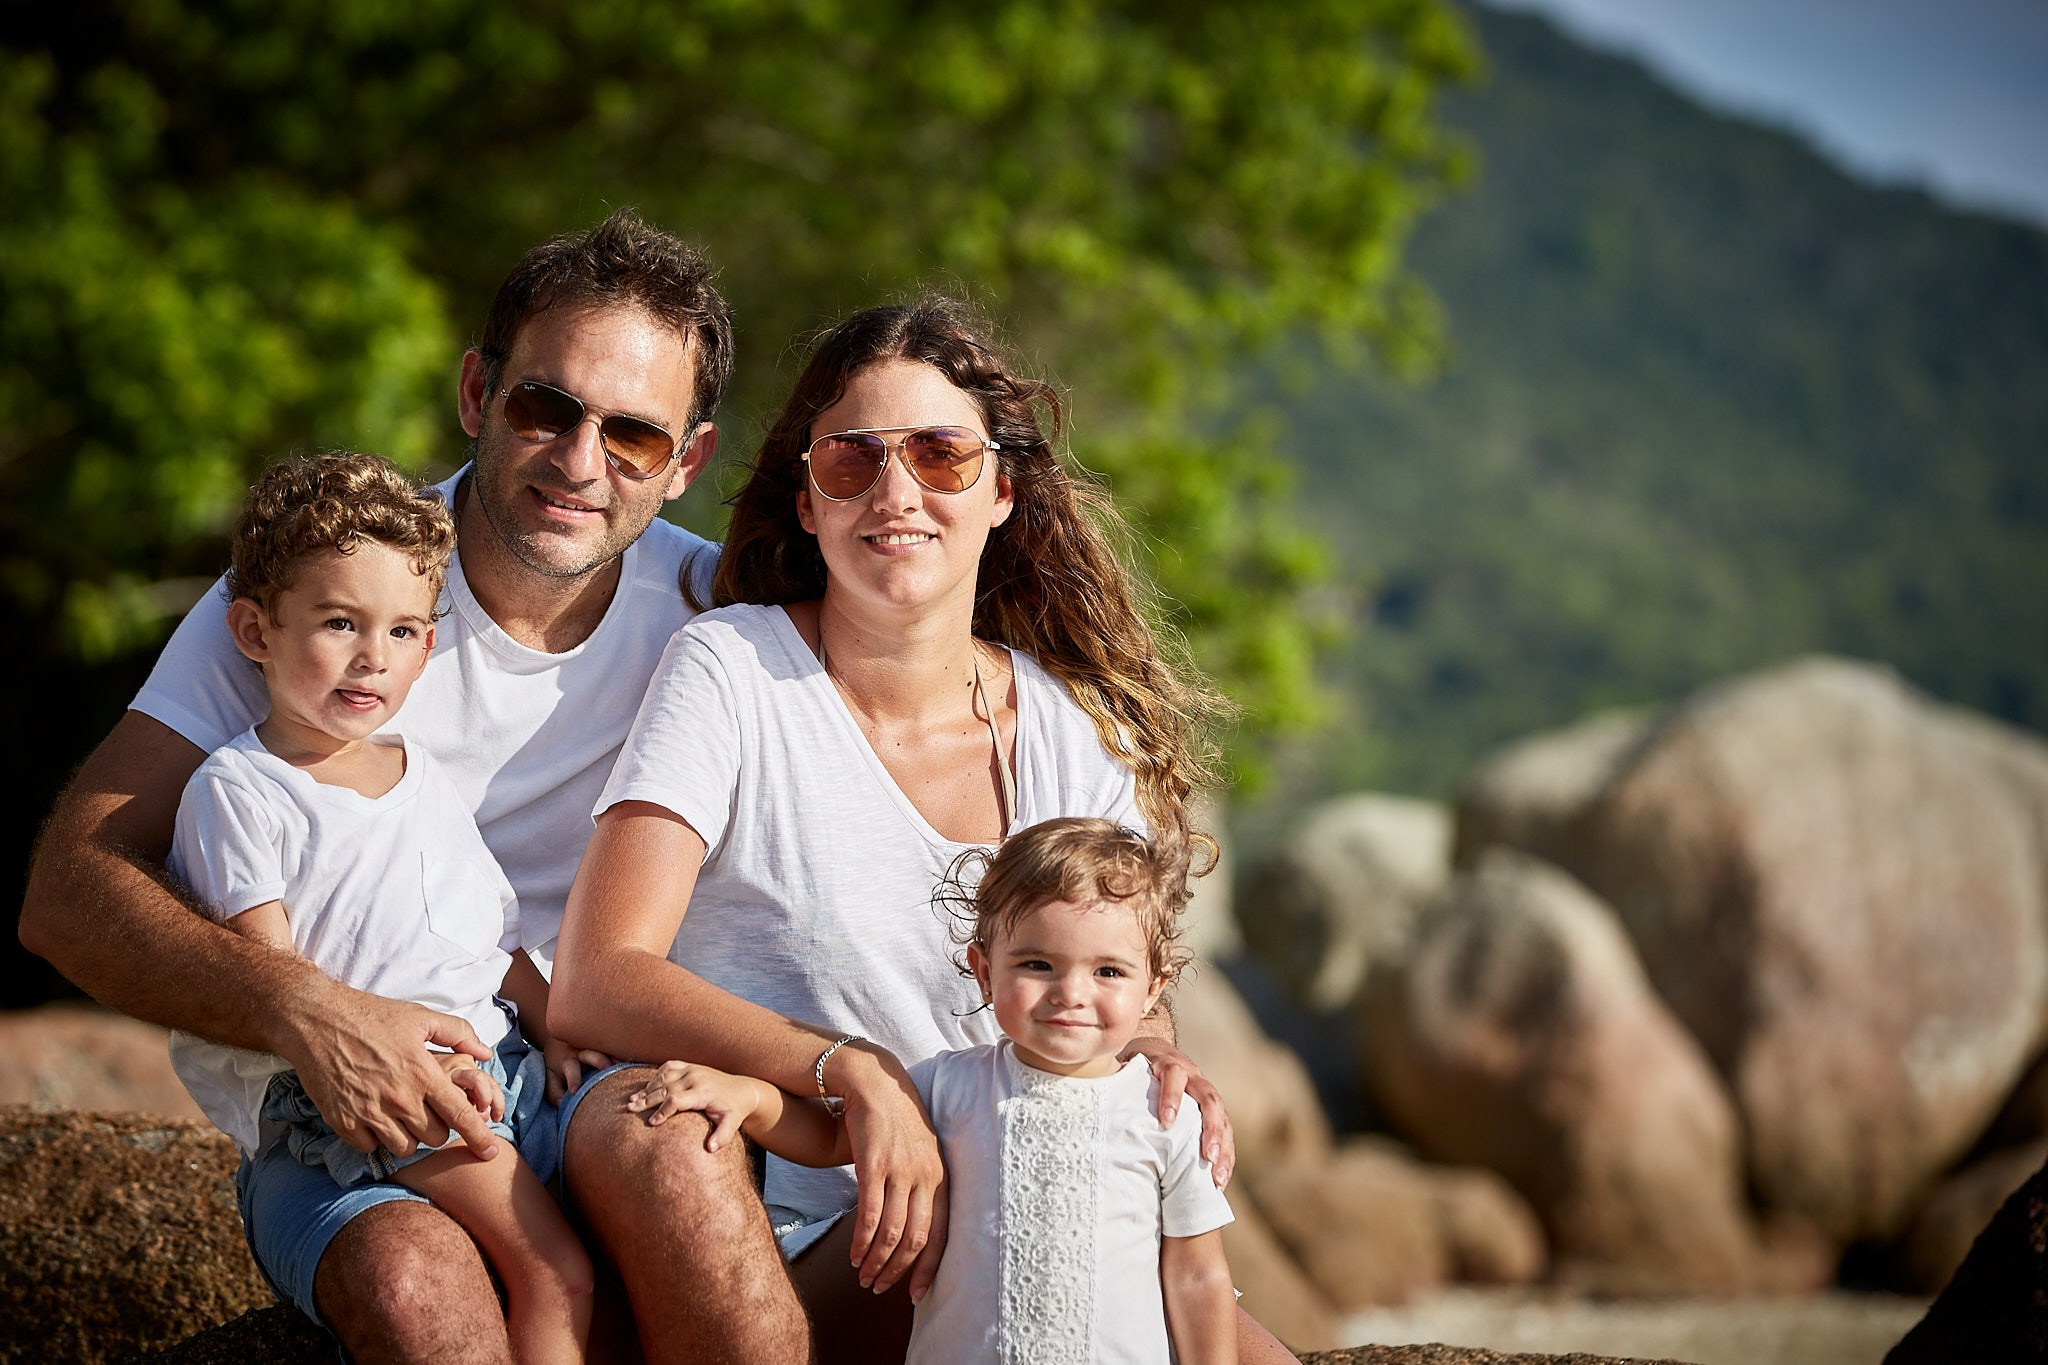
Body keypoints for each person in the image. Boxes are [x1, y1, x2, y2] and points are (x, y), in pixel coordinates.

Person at [17, 209, 789, 1361]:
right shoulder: (326, 592)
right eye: (546, 407)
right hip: (338, 1107)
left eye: (632, 435)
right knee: (415, 1287)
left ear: (686, 464)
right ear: (477, 394)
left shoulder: (718, 620)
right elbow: (69, 890)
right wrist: (312, 1013)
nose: (581, 462)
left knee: (682, 1163)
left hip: (575, 1062)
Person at [549, 296, 1294, 1362]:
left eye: (940, 455)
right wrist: (850, 1069)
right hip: (785, 1215)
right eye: (851, 461)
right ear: (806, 502)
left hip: (1009, 1202)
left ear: (999, 490)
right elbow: (599, 975)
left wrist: (1163, 1065)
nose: (894, 491)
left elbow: (1128, 1007)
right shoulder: (732, 669)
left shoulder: (1065, 733)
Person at [168, 452, 591, 1360]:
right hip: (386, 1100)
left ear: (428, 647)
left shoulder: (421, 774)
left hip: (501, 1068)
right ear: (253, 631)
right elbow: (272, 984)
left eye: (403, 631)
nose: (374, 657)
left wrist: (559, 1028)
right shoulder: (241, 790)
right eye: (339, 622)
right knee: (556, 1272)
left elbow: (487, 938)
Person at [626, 816, 1239, 1365]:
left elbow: (1195, 1278)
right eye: (1037, 965)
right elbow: (831, 1137)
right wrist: (749, 1098)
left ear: (1154, 989)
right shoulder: (948, 1085)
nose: (1070, 993)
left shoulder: (1165, 1114)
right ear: (983, 969)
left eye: (1108, 971)